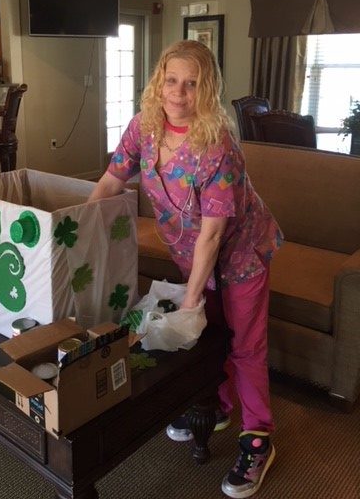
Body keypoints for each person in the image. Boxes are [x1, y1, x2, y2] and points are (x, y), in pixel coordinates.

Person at [88, 39, 283, 498]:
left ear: (207, 89)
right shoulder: (143, 127)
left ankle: (258, 437)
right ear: (159, 81)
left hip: (240, 255)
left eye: (191, 84)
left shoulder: (217, 147)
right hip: (189, 253)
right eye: (171, 80)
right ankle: (218, 405)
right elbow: (112, 180)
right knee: (209, 337)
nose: (178, 93)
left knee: (245, 346)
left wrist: (190, 300)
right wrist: (74, 228)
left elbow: (213, 236)